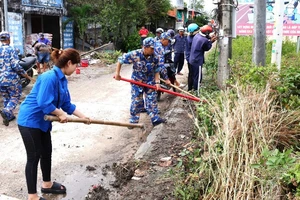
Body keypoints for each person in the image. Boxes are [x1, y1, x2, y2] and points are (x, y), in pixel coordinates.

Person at [17, 48, 91, 200]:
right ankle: (32, 196)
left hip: (43, 122)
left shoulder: (62, 79)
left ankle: (47, 185)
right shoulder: (49, 77)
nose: (76, 68)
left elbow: (66, 104)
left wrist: (83, 117)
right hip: (30, 121)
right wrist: (60, 114)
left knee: (46, 152)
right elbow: (43, 102)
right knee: (34, 156)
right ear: (69, 63)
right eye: (76, 65)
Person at [115, 37, 167, 126]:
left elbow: (157, 70)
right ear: (145, 47)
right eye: (151, 48)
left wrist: (157, 82)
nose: (153, 50)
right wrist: (117, 74)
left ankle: (155, 119)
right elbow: (120, 60)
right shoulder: (135, 54)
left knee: (152, 99)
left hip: (150, 81)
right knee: (136, 101)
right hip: (137, 82)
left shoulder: (155, 56)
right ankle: (133, 121)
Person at [0, 31, 35, 126]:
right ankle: (7, 110)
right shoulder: (11, 50)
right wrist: (24, 74)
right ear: (8, 39)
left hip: (0, 79)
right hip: (11, 78)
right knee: (16, 94)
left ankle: (9, 116)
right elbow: (15, 65)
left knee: (6, 96)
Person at [189, 25, 217, 95]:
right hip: (197, 60)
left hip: (192, 59)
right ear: (206, 32)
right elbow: (207, 47)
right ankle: (197, 94)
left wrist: (210, 39)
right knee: (198, 78)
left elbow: (205, 38)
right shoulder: (203, 40)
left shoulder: (197, 36)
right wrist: (211, 41)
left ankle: (192, 90)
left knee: (194, 76)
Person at [185, 23, 199, 91]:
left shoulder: (188, 37)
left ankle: (190, 88)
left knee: (191, 73)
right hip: (194, 59)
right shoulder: (194, 39)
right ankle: (194, 89)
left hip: (189, 58)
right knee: (195, 74)